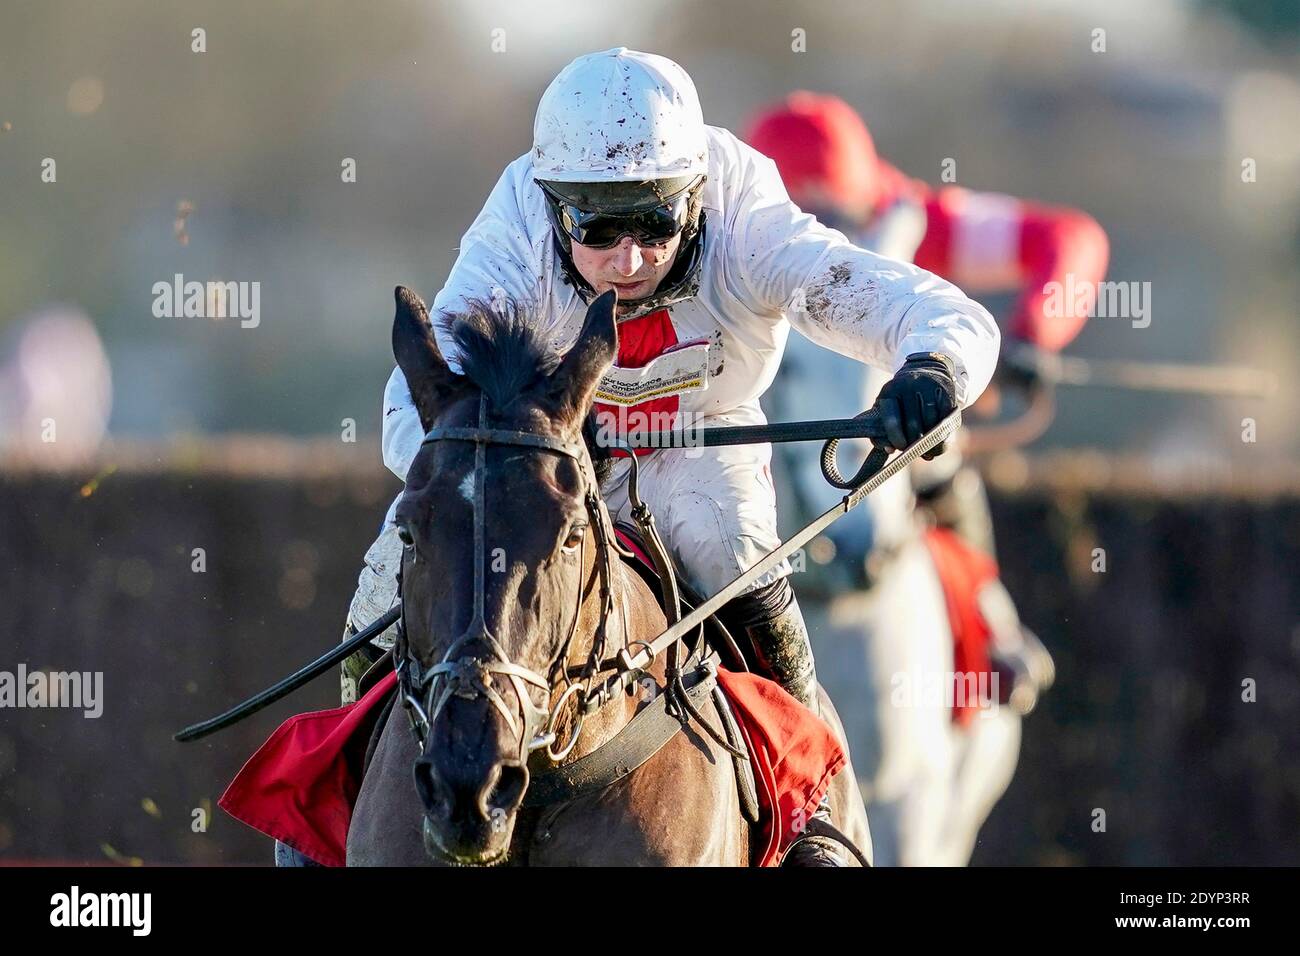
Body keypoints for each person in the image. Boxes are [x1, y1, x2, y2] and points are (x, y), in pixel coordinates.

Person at [335, 50, 999, 867]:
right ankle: (339, 813)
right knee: (381, 580)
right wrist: (520, 455)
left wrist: (934, 371)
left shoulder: (750, 220)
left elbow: (940, 314)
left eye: (652, 222)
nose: (627, 258)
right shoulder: (513, 228)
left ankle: (812, 814)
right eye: (596, 227)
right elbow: (409, 408)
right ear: (554, 207)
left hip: (699, 445)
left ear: (694, 197)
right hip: (540, 454)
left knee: (735, 561)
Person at [745, 91, 1106, 864]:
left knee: (940, 470)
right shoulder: (717, 244)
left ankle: (989, 629)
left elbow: (1069, 241)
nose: (827, 240)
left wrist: (1032, 331)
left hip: (893, 454)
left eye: (837, 213)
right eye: (805, 217)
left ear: (865, 197)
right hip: (753, 473)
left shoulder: (912, 220)